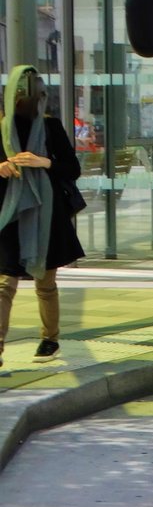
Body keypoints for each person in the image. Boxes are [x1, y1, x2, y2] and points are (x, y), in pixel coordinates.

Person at [0, 66, 86, 369]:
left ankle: (50, 338)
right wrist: (2, 167)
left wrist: (44, 161)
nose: (28, 100)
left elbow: (72, 169)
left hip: (45, 215)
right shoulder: (0, 128)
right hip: (10, 216)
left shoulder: (50, 127)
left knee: (45, 282)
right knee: (5, 283)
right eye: (22, 94)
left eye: (33, 94)